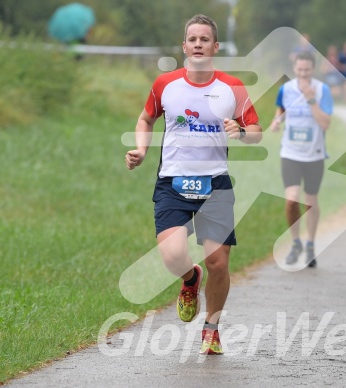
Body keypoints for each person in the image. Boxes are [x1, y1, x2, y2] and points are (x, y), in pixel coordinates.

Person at [125, 14, 262, 355]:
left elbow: (256, 131)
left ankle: (212, 330)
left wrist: (241, 132)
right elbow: (146, 118)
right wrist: (141, 149)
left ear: (215, 46)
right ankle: (190, 279)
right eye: (193, 39)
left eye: (205, 39)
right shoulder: (166, 85)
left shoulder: (232, 88)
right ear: (184, 45)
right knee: (172, 256)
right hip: (172, 181)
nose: (198, 44)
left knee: (220, 263)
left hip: (215, 184)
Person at [271, 51, 333, 268]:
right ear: (294, 69)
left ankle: (310, 245)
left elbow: (325, 123)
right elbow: (281, 109)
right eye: (299, 70)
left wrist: (311, 100)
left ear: (313, 69)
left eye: (307, 70)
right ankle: (296, 241)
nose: (303, 74)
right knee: (291, 200)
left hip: (314, 155)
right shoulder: (285, 89)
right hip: (290, 153)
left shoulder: (323, 90)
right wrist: (277, 120)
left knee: (311, 202)